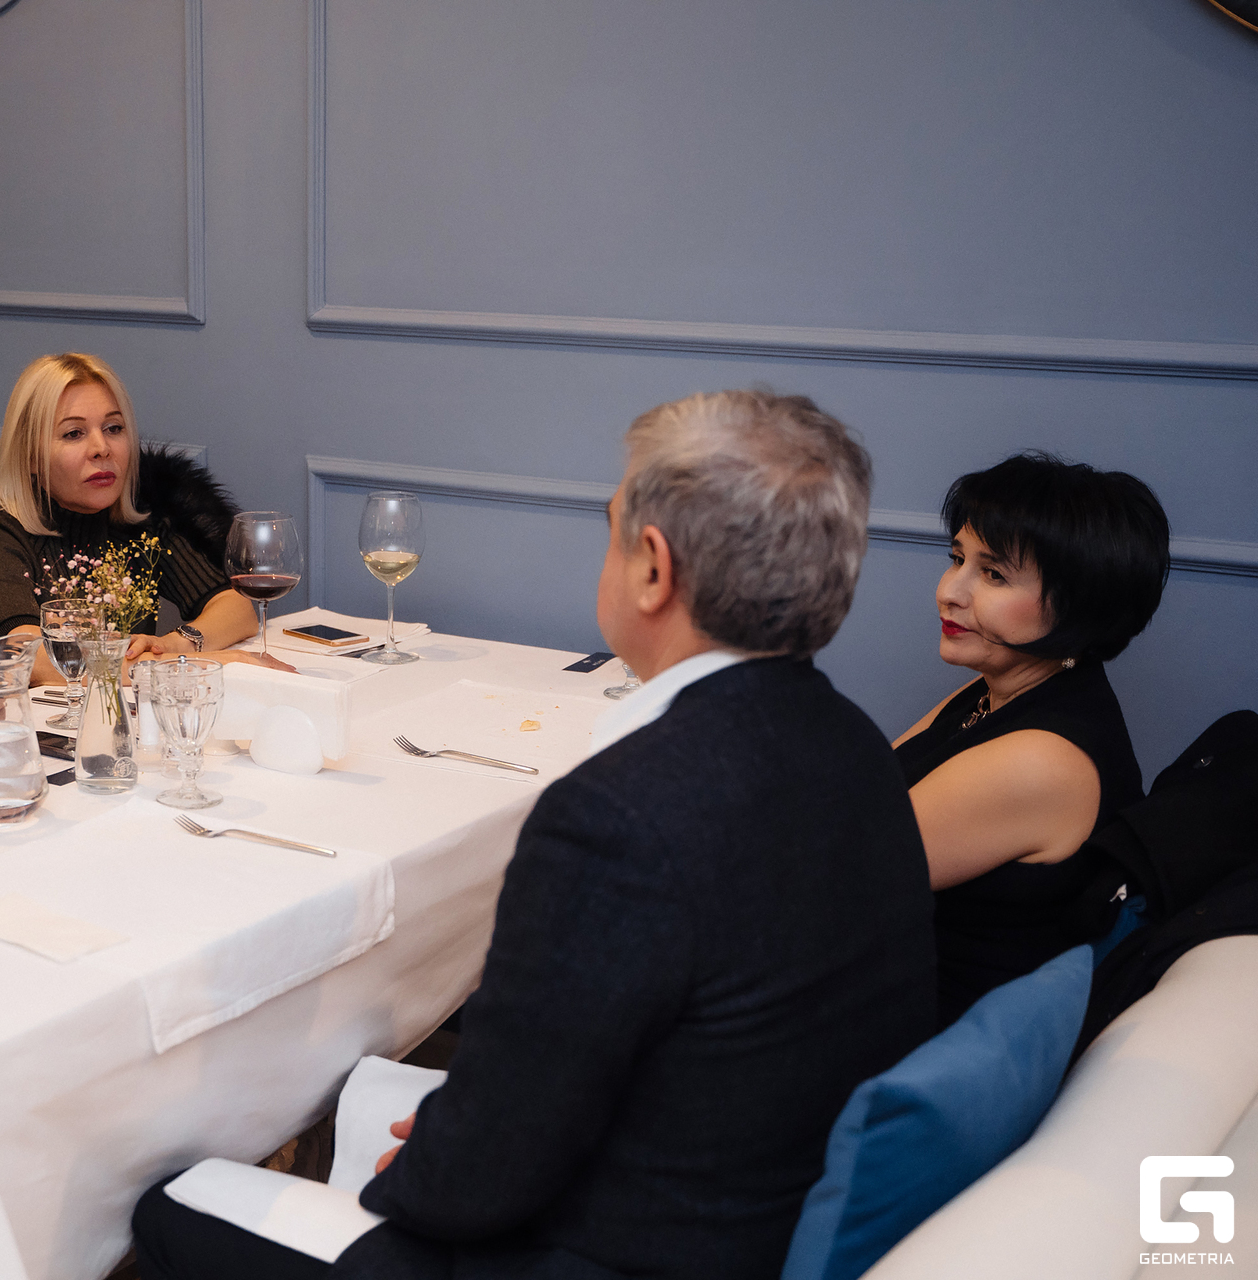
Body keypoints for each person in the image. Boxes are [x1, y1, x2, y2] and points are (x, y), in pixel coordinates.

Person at [130, 390, 936, 1280]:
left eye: (611, 530)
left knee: (164, 1204)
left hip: (614, 1252)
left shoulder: (619, 815)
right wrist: (464, 1135)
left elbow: (473, 1185)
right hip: (767, 1204)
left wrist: (434, 1163)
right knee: (375, 1101)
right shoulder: (857, 744)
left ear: (654, 570)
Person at [892, 452, 1169, 1026]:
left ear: (1078, 605)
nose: (950, 591)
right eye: (957, 559)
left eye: (993, 575)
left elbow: (832, 870)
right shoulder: (998, 686)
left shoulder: (1043, 759)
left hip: (922, 1031)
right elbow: (858, 794)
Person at [0, 352, 289, 680]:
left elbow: (238, 608)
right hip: (9, 714)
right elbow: (36, 661)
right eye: (74, 433)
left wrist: (177, 643)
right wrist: (189, 664)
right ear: (30, 457)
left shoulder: (141, 521)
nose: (102, 448)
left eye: (113, 428)